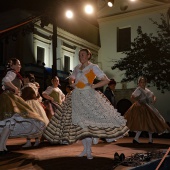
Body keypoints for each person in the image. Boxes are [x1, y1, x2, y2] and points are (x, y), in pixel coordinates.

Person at [43, 48, 129, 159]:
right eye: (79, 55)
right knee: (81, 125)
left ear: (88, 55)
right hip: (76, 96)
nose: (81, 57)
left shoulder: (93, 67)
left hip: (88, 96)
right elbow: (71, 79)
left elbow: (106, 80)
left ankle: (88, 150)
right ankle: (85, 149)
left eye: (83, 55)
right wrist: (72, 83)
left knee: (88, 124)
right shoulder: (77, 68)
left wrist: (93, 86)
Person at [0, 58, 46, 155]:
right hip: (9, 97)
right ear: (13, 65)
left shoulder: (15, 74)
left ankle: (3, 146)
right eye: (18, 64)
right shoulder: (12, 73)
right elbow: (5, 80)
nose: (20, 66)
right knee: (9, 123)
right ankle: (1, 147)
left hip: (12, 97)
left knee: (10, 124)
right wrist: (15, 88)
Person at [124, 76, 170, 144]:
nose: (142, 84)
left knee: (149, 123)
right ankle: (137, 138)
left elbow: (153, 96)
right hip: (140, 108)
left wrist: (154, 99)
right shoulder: (138, 90)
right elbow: (132, 97)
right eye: (141, 82)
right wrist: (136, 102)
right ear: (139, 83)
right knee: (142, 123)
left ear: (145, 83)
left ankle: (149, 139)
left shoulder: (146, 90)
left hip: (148, 107)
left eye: (144, 82)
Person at [21, 73, 49, 147]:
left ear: (27, 78)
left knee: (28, 122)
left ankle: (29, 141)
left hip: (28, 104)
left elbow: (23, 97)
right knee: (35, 122)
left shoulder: (27, 86)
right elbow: (39, 97)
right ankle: (36, 140)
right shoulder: (34, 86)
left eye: (24, 78)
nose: (23, 79)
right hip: (35, 104)